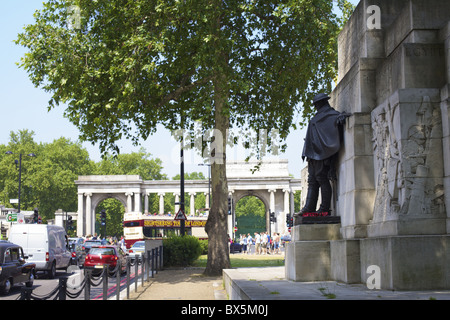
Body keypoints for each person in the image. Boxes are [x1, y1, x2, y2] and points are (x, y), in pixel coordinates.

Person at [296, 93, 350, 217]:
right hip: (313, 154)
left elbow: (338, 118)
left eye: (316, 104)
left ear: (321, 103)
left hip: (321, 153)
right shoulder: (318, 116)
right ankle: (309, 208)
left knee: (322, 178)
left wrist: (341, 118)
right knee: (312, 181)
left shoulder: (331, 114)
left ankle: (325, 208)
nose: (316, 106)